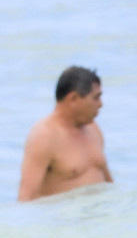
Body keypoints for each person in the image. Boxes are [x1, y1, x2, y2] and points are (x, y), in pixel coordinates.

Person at [17, 66, 113, 201]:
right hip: (64, 219)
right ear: (73, 98)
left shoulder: (93, 129)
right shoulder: (44, 136)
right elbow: (26, 197)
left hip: (99, 218)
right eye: (95, 98)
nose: (101, 104)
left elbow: (109, 183)